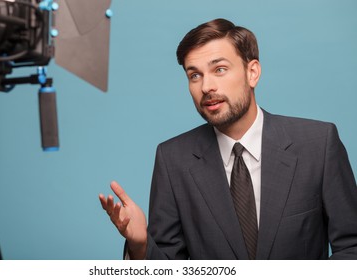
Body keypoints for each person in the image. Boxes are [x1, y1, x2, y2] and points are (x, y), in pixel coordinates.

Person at [99, 18, 357, 260]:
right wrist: (141, 244)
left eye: (219, 69)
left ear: (252, 72)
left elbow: (352, 247)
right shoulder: (172, 159)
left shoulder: (318, 143)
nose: (206, 86)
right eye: (194, 75)